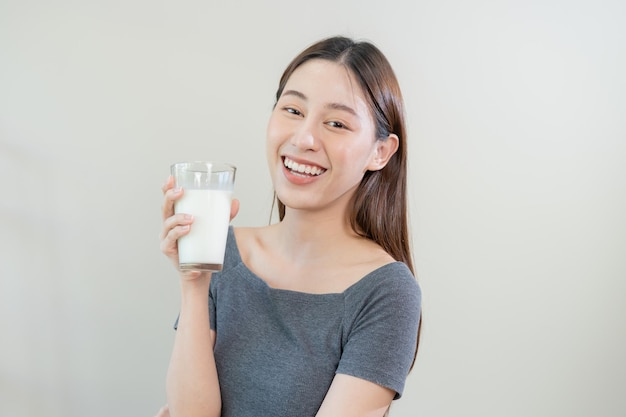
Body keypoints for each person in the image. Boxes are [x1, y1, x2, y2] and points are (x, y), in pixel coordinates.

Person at [157, 35, 422, 417]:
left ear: (380, 152)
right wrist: (194, 285)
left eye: (336, 123)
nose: (305, 139)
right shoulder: (224, 252)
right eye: (293, 111)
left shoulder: (386, 293)